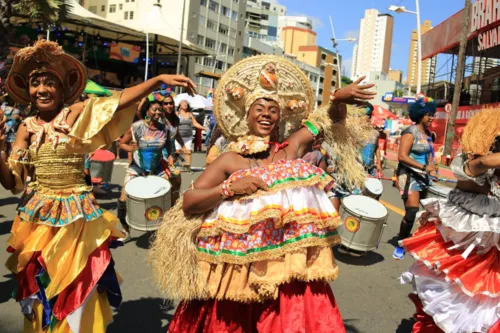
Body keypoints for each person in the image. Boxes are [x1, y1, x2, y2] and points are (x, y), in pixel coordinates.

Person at [149, 55, 376, 332]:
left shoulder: (290, 149)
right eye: (259, 107)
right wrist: (228, 188)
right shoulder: (230, 160)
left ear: (281, 117)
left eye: (273, 109)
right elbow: (189, 202)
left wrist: (338, 99)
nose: (266, 113)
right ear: (247, 115)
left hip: (287, 269)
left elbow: (327, 119)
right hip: (239, 270)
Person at [0, 40, 196, 332]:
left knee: (76, 285)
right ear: (27, 90)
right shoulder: (26, 128)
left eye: (49, 82)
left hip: (77, 217)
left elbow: (118, 101)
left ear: (62, 88)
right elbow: (12, 183)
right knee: (42, 286)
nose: (42, 89)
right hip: (38, 218)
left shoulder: (75, 113)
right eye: (35, 83)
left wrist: (155, 81)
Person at [399, 108, 500, 332]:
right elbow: (485, 162)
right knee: (453, 286)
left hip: (487, 234)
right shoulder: (470, 163)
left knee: (480, 290)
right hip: (460, 230)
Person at [117, 98, 175, 241]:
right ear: (147, 111)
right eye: (154, 109)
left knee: (167, 196)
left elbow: (169, 146)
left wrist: (171, 159)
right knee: (123, 199)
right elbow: (122, 144)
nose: (157, 112)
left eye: (159, 110)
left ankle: (165, 229)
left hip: (157, 168)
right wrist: (130, 148)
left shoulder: (165, 129)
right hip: (137, 168)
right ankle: (125, 230)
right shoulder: (136, 127)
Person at [393, 95, 438, 260]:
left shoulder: (429, 135)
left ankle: (420, 242)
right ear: (420, 115)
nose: (431, 117)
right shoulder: (410, 132)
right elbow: (402, 156)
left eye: (433, 114)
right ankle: (400, 243)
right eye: (428, 115)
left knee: (428, 213)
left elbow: (430, 157)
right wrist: (424, 168)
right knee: (411, 211)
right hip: (409, 176)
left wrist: (432, 170)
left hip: (424, 177)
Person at [176, 100, 207, 171]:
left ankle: (188, 168)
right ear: (180, 104)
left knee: (188, 151)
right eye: (184, 103)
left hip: (188, 136)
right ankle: (178, 165)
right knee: (178, 151)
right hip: (178, 136)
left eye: (186, 103)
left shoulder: (190, 114)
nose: (185, 104)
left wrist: (204, 128)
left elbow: (195, 123)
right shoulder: (177, 114)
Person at [360, 103, 383, 177]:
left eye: (368, 115)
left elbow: (377, 148)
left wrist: (379, 164)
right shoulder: (354, 133)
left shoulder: (375, 132)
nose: (366, 117)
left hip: (371, 168)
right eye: (364, 115)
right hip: (358, 169)